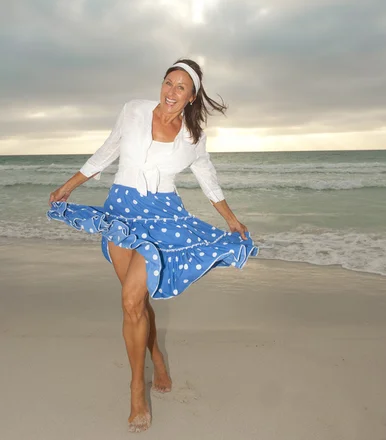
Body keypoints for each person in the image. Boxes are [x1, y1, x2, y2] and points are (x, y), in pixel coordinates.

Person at [47, 58, 258, 433]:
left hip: (163, 219)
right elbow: (107, 151)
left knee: (130, 301)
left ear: (192, 98)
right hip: (121, 213)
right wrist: (68, 186)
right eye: (168, 82)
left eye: (181, 88)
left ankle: (136, 388)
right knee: (138, 303)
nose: (171, 92)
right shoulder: (133, 111)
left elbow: (208, 178)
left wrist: (230, 218)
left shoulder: (193, 137)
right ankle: (157, 356)